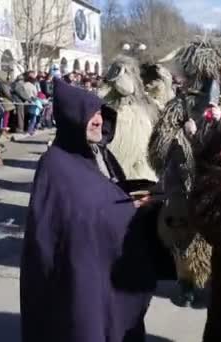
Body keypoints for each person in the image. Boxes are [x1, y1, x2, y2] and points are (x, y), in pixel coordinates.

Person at [20, 79, 175, 342]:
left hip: (105, 265)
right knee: (87, 325)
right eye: (88, 115)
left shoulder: (99, 153)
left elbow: (108, 193)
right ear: (71, 119)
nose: (97, 120)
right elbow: (75, 219)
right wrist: (130, 209)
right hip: (79, 271)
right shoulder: (55, 165)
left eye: (99, 113)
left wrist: (142, 198)